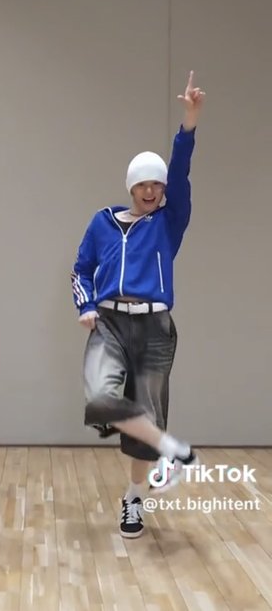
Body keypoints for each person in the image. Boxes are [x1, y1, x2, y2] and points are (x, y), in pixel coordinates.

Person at [71, 71, 205, 538]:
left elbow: (182, 170)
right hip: (109, 323)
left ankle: (133, 500)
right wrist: (85, 305)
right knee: (99, 396)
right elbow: (81, 269)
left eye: (157, 185)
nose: (151, 191)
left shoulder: (169, 222)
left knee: (145, 417)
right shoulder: (102, 223)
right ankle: (172, 448)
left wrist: (188, 124)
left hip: (154, 330)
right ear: (130, 187)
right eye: (143, 184)